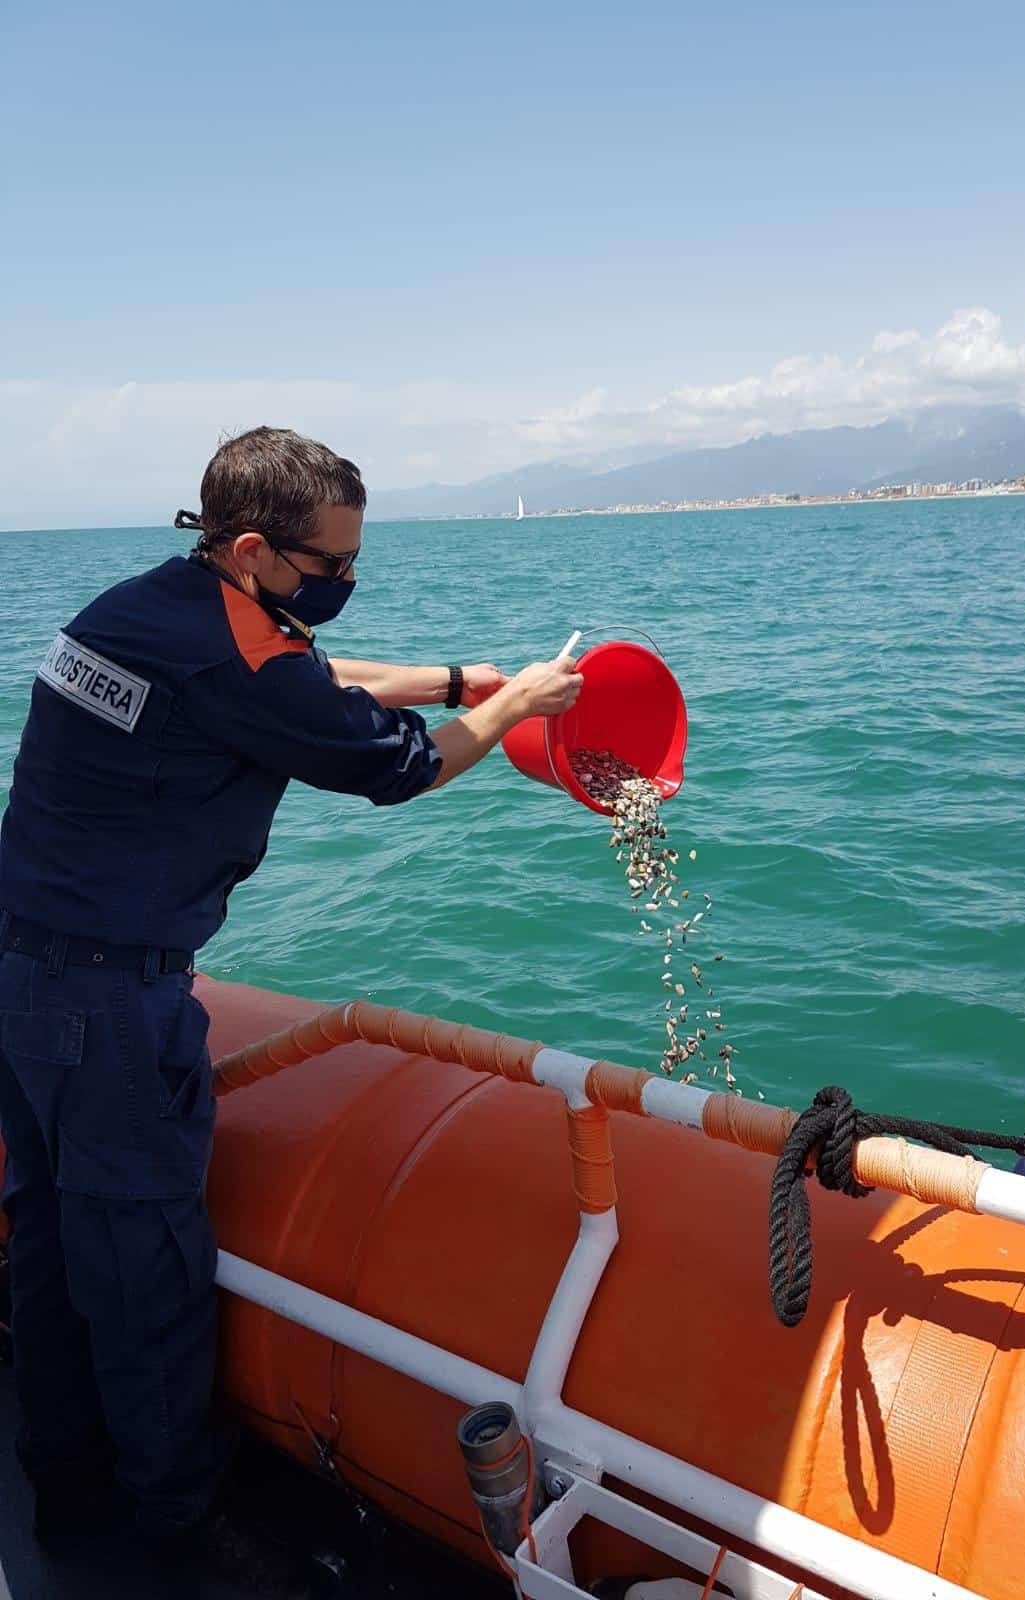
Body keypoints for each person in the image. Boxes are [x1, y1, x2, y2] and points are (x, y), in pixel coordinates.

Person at [0, 426, 581, 1583]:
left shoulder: (146, 606)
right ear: (257, 547)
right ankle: (174, 1530)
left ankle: (68, 1498)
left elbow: (309, 675)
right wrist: (514, 702)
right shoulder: (240, 661)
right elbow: (402, 764)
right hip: (112, 1008)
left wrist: (466, 675)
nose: (344, 585)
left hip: (25, 979)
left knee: (56, 1256)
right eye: (329, 568)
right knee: (148, 1275)